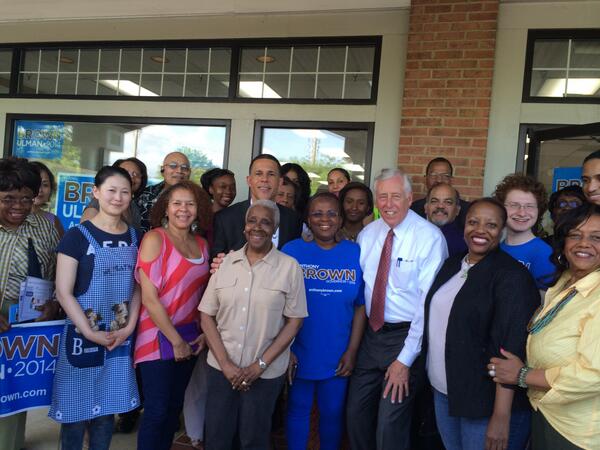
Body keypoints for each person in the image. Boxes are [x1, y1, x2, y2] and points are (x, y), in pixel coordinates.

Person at [423, 198, 539, 450]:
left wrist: (501, 416)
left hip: (484, 402)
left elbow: (510, 350)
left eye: (491, 225)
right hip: (445, 392)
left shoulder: (512, 277)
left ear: (502, 230)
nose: (480, 230)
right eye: (473, 222)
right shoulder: (452, 264)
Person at [346, 168, 448, 450]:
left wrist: (404, 361)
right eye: (382, 197)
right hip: (371, 337)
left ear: (409, 198)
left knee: (390, 424)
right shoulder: (368, 234)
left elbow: (428, 306)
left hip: (406, 337)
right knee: (355, 415)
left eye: (395, 196)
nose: (388, 204)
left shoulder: (429, 238)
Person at [490, 202, 600, 449]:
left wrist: (523, 375)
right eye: (575, 235)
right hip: (546, 412)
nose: (584, 243)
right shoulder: (565, 280)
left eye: (596, 237)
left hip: (576, 431)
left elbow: (594, 375)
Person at [200, 200, 307, 449]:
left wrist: (260, 365)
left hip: (265, 373)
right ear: (244, 226)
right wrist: (226, 364)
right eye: (252, 221)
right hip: (221, 369)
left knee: (254, 440)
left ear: (275, 229)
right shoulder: (225, 263)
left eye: (266, 222)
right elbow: (206, 316)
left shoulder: (289, 267)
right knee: (216, 438)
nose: (257, 227)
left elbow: (295, 322)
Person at [49, 166, 141, 450]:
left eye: (125, 192)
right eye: (111, 190)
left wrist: (129, 327)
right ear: (96, 192)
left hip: (118, 336)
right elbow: (63, 292)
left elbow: (139, 287)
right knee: (75, 416)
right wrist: (90, 332)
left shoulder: (136, 237)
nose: (118, 197)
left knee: (106, 413)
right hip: (82, 334)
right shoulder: (76, 236)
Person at [283, 193, 366, 450]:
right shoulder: (292, 251)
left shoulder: (355, 253)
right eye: (317, 214)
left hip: (338, 353)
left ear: (340, 219)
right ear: (308, 219)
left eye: (331, 213)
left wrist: (352, 351)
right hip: (299, 350)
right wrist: (285, 348)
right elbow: (277, 304)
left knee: (332, 412)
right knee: (297, 410)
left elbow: (360, 307)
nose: (325, 219)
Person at [134, 180, 212, 450]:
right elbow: (149, 298)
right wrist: (175, 340)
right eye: (177, 203)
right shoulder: (155, 239)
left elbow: (203, 296)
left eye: (190, 204)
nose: (183, 209)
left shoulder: (202, 244)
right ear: (165, 208)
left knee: (173, 408)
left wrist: (203, 333)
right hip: (156, 337)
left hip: (190, 336)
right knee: (156, 410)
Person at [0, 157, 60, 450]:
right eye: (9, 199)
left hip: (22, 323)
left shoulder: (45, 227)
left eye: (26, 199)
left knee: (11, 394)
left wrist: (53, 304)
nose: (19, 206)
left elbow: (58, 273)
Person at [211, 154, 303, 258]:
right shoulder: (224, 218)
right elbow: (215, 259)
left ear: (280, 181)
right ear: (249, 180)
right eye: (258, 174)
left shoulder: (294, 219)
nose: (264, 179)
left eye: (271, 174)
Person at [493, 173, 555, 290]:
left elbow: (547, 299)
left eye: (529, 206)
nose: (522, 213)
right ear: (501, 208)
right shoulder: (495, 248)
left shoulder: (544, 254)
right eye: (514, 205)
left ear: (539, 210)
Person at [82, 157, 148, 230]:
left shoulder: (133, 205)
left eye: (135, 174)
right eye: (124, 172)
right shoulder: (100, 202)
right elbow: (86, 232)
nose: (130, 177)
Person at [136, 152, 192, 233]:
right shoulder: (146, 194)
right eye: (173, 166)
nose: (179, 171)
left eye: (184, 167)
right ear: (162, 170)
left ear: (189, 172)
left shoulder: (198, 197)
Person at [411, 157, 469, 228]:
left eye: (445, 176)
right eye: (433, 175)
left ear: (451, 180)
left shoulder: (467, 211)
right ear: (425, 179)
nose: (439, 180)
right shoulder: (413, 210)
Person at [424, 183, 467, 258]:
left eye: (448, 202)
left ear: (457, 210)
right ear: (426, 208)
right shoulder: (411, 234)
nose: (440, 206)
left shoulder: (465, 244)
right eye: (434, 201)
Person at [30, 160, 65, 236]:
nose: (40, 190)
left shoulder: (54, 221)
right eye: (35, 184)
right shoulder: (10, 218)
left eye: (45, 185)